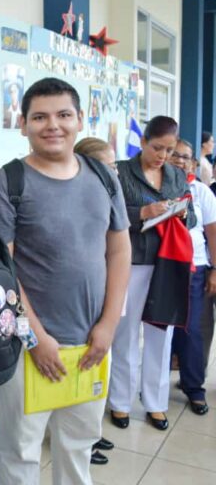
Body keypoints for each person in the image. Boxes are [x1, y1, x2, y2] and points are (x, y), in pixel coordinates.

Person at [0, 77, 131, 485]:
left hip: (90, 344)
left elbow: (119, 251)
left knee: (79, 446)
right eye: (40, 117)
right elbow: (1, 269)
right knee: (20, 452)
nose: (53, 125)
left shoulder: (104, 177)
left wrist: (108, 326)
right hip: (27, 348)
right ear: (23, 124)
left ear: (80, 119)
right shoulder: (9, 182)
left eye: (64, 115)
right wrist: (34, 337)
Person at [108, 115, 195, 431]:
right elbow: (107, 213)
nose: (163, 156)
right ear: (143, 141)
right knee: (125, 334)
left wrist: (181, 214)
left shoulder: (176, 175)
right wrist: (143, 213)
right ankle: (120, 401)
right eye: (157, 147)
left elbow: (193, 217)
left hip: (167, 263)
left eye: (169, 150)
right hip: (130, 262)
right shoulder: (120, 172)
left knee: (161, 334)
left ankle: (155, 403)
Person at [73, 137, 118, 466]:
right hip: (73, 308)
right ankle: (82, 439)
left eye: (115, 166)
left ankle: (90, 433)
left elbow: (118, 249)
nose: (114, 171)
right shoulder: (76, 196)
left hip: (102, 298)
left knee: (98, 371)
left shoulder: (110, 192)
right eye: (108, 166)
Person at [168, 138, 215, 415]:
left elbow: (213, 234)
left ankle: (194, 387)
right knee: (161, 329)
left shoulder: (201, 192)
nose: (179, 160)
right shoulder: (154, 186)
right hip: (160, 267)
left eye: (185, 157)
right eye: (174, 154)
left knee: (192, 329)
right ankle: (154, 385)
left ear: (194, 164)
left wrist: (214, 270)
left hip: (194, 267)